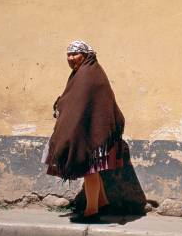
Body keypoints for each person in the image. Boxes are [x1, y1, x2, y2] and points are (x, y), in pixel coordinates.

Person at [43, 40, 126, 223]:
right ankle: (102, 203)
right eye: (69, 54)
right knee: (93, 170)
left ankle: (91, 212)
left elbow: (82, 106)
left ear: (86, 55)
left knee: (90, 171)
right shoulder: (82, 73)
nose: (71, 58)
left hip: (94, 136)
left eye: (75, 54)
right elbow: (74, 102)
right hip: (92, 133)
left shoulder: (88, 74)